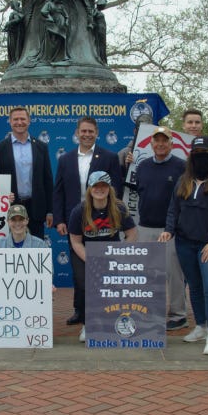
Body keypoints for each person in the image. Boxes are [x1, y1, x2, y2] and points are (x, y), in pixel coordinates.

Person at [162, 137, 208, 355]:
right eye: (196, 152)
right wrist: (169, 229)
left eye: (204, 152)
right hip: (185, 243)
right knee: (194, 286)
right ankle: (201, 326)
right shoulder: (183, 180)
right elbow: (174, 209)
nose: (200, 156)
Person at [55, 117, 124, 325]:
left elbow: (117, 189)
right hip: (75, 222)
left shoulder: (109, 157)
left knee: (105, 268)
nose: (86, 135)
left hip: (103, 221)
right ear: (77, 132)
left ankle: (106, 309)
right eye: (83, 131)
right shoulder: (65, 159)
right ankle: (80, 311)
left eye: (90, 131)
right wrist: (59, 219)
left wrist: (115, 217)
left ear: (97, 133)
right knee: (80, 271)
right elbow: (58, 192)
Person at [68, 171, 136, 342]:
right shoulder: (79, 211)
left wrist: (121, 253)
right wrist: (91, 260)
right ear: (89, 189)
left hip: (110, 251)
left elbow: (132, 234)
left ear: (109, 188)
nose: (100, 189)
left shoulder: (119, 208)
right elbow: (75, 242)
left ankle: (113, 321)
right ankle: (86, 324)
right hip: (85, 251)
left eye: (103, 186)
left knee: (116, 283)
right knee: (85, 283)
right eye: (96, 186)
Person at [134, 126, 189, 331]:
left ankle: (178, 314)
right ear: (151, 143)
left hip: (171, 230)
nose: (160, 144)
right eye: (156, 140)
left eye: (164, 140)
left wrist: (174, 226)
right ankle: (149, 310)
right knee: (146, 273)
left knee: (174, 274)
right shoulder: (143, 166)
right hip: (145, 227)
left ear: (171, 143)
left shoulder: (182, 167)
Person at [0, 107, 54, 239]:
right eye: (16, 119)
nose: (19, 122)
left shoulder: (41, 147)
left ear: (29, 121)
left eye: (23, 119)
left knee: (36, 250)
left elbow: (47, 180)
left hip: (36, 208)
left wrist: (50, 211)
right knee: (11, 249)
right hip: (9, 207)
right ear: (10, 121)